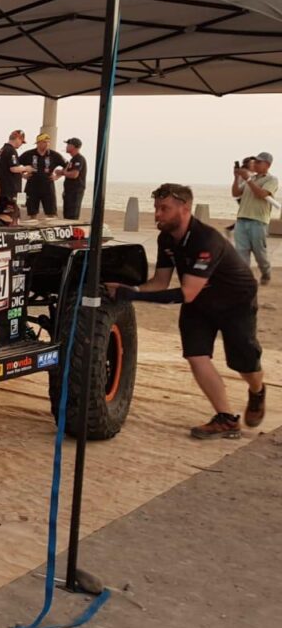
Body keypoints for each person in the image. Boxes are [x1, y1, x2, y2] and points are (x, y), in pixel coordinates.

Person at [106, 183, 266, 439]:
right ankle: (226, 419)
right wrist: (129, 288)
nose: (157, 214)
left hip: (235, 301)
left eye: (164, 208)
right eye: (156, 208)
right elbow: (159, 283)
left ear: (185, 208)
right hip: (200, 302)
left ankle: (257, 391)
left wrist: (131, 295)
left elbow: (185, 293)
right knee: (196, 355)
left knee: (244, 363)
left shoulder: (206, 240)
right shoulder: (166, 239)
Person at [232, 151, 277, 285]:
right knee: (241, 252)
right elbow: (235, 193)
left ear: (267, 165)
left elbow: (261, 194)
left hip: (258, 221)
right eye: (255, 162)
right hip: (242, 220)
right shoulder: (251, 179)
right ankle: (245, 279)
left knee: (259, 253)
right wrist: (236, 178)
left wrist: (248, 179)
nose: (255, 164)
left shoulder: (271, 180)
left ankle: (266, 272)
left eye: (259, 162)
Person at [18, 133, 66, 219]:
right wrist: (23, 175)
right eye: (44, 142)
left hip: (48, 187)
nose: (47, 144)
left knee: (51, 213)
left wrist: (58, 176)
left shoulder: (54, 155)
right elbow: (14, 165)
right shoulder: (28, 154)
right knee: (32, 214)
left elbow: (68, 166)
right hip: (32, 187)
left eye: (48, 142)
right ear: (38, 143)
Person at [0, 129, 27, 212]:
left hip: (2, 189)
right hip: (10, 191)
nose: (21, 145)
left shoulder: (2, 150)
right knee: (13, 214)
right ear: (18, 138)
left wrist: (22, 174)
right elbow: (13, 168)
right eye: (21, 142)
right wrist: (26, 168)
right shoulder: (11, 150)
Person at [61, 137, 88, 221]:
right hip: (69, 191)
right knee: (67, 215)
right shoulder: (72, 160)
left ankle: (73, 233)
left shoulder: (79, 159)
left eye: (68, 144)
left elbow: (74, 174)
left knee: (72, 216)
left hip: (75, 192)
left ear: (74, 146)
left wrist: (63, 173)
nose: (66, 146)